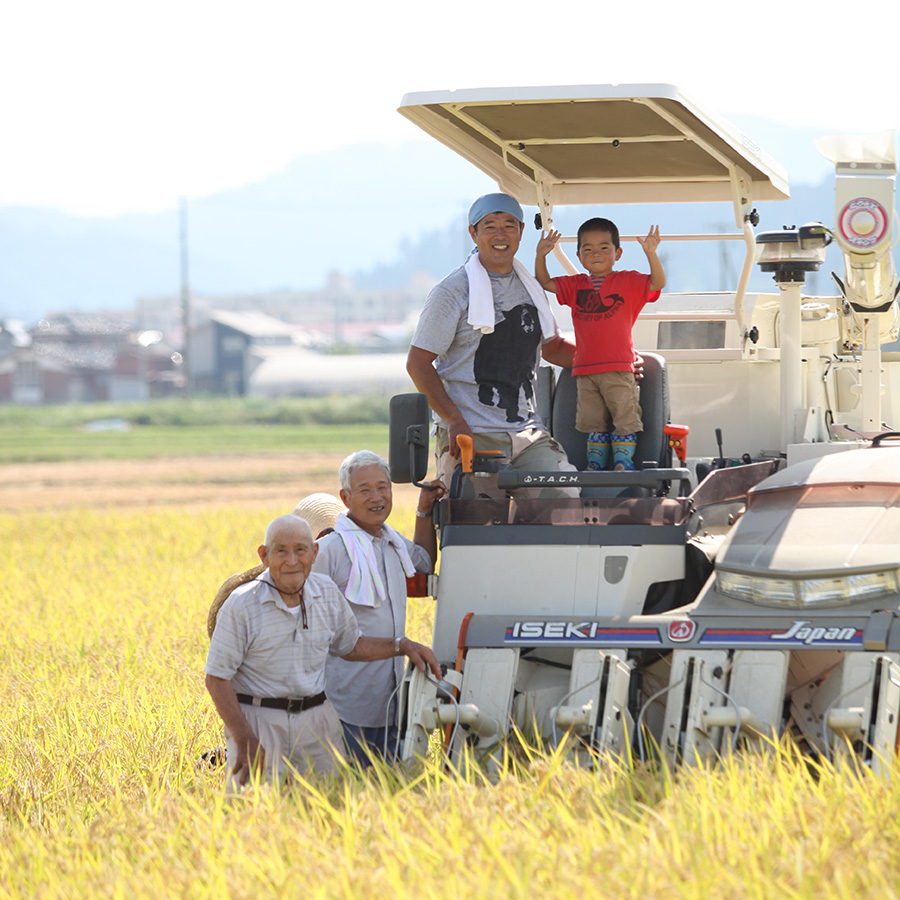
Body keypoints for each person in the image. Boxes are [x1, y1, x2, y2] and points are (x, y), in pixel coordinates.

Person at [204, 514, 441, 788]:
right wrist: (243, 737)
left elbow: (351, 645)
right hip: (260, 722)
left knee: (330, 810)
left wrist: (402, 645)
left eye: (300, 550)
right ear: (264, 555)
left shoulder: (326, 592)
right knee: (256, 817)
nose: (292, 561)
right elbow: (216, 679)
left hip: (318, 722)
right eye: (281, 551)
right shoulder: (242, 605)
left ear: (315, 552)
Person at [406, 192, 578, 492]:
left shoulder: (533, 288)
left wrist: (618, 358)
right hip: (471, 433)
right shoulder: (452, 292)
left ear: (522, 232)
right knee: (476, 525)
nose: (500, 234)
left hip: (527, 434)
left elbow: (552, 348)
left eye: (509, 225)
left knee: (565, 499)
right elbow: (418, 364)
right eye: (490, 226)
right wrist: (454, 420)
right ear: (473, 233)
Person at [312, 450, 445, 764]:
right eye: (365, 490)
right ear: (345, 497)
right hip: (342, 701)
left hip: (389, 701)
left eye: (383, 487)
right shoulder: (329, 551)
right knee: (345, 791)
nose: (377, 497)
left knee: (387, 789)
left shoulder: (392, 542)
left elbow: (424, 565)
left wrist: (424, 512)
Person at [535, 218, 665, 471]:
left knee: (624, 419)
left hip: (619, 366)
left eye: (604, 248)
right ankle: (595, 464)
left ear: (618, 253)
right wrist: (541, 255)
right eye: (588, 249)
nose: (595, 253)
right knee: (592, 423)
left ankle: (623, 464)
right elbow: (545, 282)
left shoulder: (628, 281)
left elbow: (657, 283)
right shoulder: (575, 285)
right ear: (579, 256)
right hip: (583, 370)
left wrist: (651, 254)